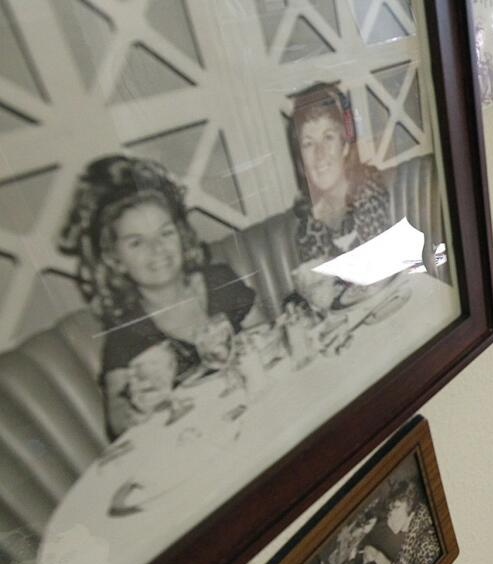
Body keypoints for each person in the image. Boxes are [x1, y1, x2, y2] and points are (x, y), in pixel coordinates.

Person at [58, 155, 264, 438]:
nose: (157, 249)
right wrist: (137, 409)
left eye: (165, 233)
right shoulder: (126, 335)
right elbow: (119, 424)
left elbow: (266, 335)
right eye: (137, 242)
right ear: (114, 258)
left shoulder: (219, 280)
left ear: (181, 235)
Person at [286, 82, 399, 313]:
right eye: (308, 144)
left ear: (345, 146)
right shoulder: (308, 225)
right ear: (301, 161)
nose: (319, 154)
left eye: (328, 137)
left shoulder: (368, 191)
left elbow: (379, 275)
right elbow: (323, 300)